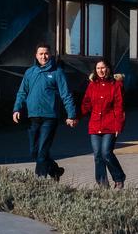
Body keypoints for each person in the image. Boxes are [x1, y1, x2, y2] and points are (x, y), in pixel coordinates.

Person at [12, 43, 77, 180]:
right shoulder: (30, 72)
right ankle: (55, 170)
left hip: (50, 117)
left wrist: (71, 115)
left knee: (42, 151)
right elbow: (22, 92)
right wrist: (17, 108)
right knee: (34, 151)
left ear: (50, 55)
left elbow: (66, 94)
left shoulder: (57, 72)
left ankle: (40, 180)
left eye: (46, 53)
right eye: (41, 54)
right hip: (33, 117)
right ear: (36, 55)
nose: (44, 56)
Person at [80, 59, 126, 189]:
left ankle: (119, 177)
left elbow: (119, 107)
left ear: (109, 69)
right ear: (95, 70)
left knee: (106, 153)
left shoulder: (116, 85)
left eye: (103, 67)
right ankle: (102, 184)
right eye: (98, 68)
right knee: (97, 155)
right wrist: (75, 117)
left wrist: (118, 125)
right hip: (95, 125)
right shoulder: (92, 85)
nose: (101, 70)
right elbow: (86, 104)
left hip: (110, 125)